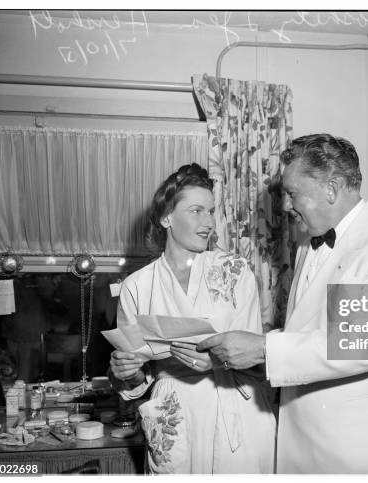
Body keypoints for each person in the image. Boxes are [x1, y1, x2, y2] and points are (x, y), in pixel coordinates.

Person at [198, 134, 368, 473]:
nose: (285, 207)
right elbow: (312, 330)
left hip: (363, 447)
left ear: (332, 189)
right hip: (306, 439)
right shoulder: (307, 245)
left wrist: (263, 349)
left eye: (292, 194)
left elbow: (361, 343)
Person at [108, 164, 275, 474]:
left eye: (211, 212)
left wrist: (218, 361)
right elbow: (134, 377)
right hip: (175, 412)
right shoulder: (137, 286)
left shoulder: (234, 271)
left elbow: (256, 354)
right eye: (197, 211)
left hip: (236, 408)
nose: (209, 222)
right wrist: (125, 370)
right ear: (166, 217)